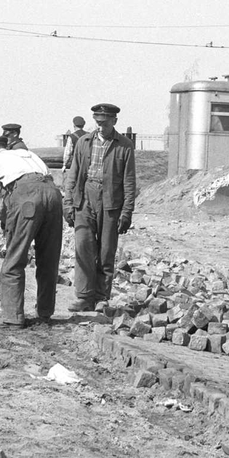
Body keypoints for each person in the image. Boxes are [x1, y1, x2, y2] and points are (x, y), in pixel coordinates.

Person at [0, 133, 63, 327]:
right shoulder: (28, 155)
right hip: (53, 195)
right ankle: (45, 313)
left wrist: (5, 221)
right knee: (48, 258)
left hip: (27, 198)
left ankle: (13, 317)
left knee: (14, 260)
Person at [63, 103, 136, 311]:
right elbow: (73, 175)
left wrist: (127, 211)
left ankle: (101, 297)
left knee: (106, 251)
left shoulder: (124, 146)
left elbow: (129, 181)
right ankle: (84, 296)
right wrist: (68, 203)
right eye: (98, 123)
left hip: (110, 202)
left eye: (105, 123)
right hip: (85, 199)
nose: (100, 127)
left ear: (114, 121)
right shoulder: (84, 142)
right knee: (83, 247)